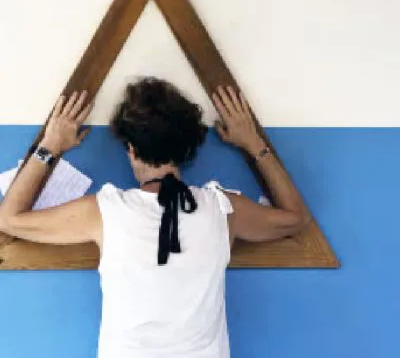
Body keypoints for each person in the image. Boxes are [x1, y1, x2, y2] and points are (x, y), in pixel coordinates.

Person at [0, 78, 311, 358]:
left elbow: (9, 219)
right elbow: (296, 218)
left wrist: (50, 146)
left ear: (131, 150)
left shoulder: (104, 211)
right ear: (187, 150)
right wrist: (253, 143)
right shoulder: (223, 208)